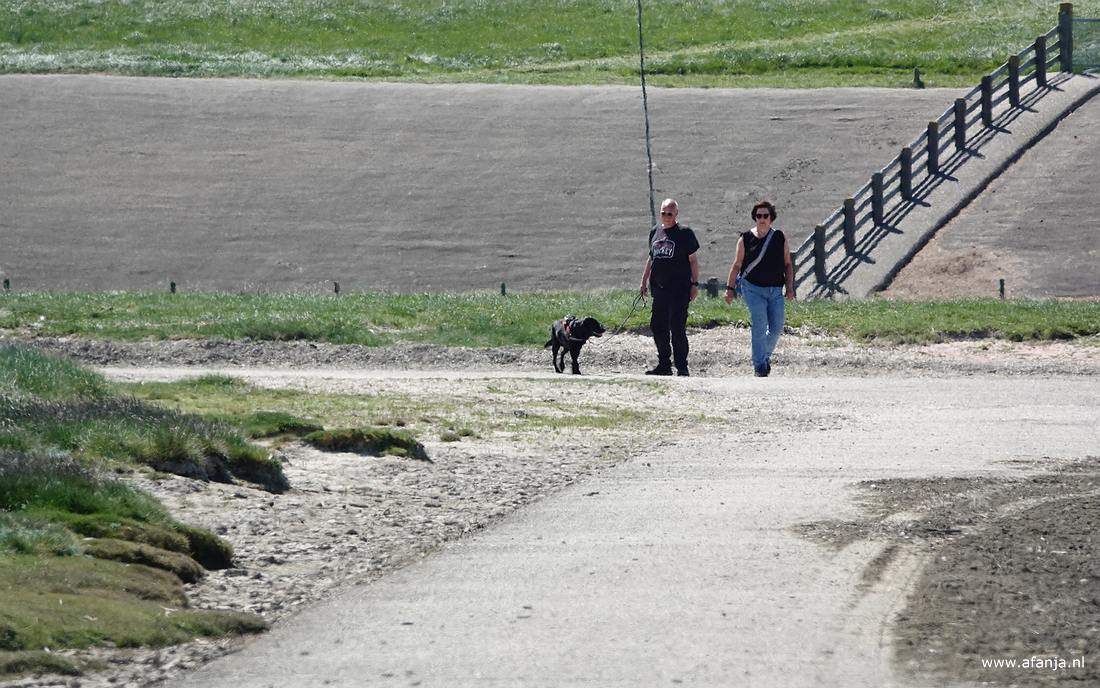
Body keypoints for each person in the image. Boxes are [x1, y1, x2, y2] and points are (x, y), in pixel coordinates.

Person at [724, 200, 795, 377]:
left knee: (777, 328)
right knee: (759, 324)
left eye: (765, 216)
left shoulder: (779, 237)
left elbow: (787, 264)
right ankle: (759, 367)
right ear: (755, 217)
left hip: (775, 289)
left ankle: (764, 357)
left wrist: (790, 287)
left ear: (771, 218)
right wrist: (730, 288)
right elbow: (736, 265)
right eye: (759, 216)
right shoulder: (745, 238)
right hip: (752, 288)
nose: (762, 219)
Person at [639, 198, 699, 376]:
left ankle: (682, 365)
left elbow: (693, 261)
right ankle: (664, 364)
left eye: (669, 213)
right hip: (659, 288)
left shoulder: (685, 233)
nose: (666, 217)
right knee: (658, 326)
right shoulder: (655, 232)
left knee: (677, 327)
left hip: (679, 288)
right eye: (663, 213)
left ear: (676, 214)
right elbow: (651, 258)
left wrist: (694, 284)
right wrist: (644, 281)